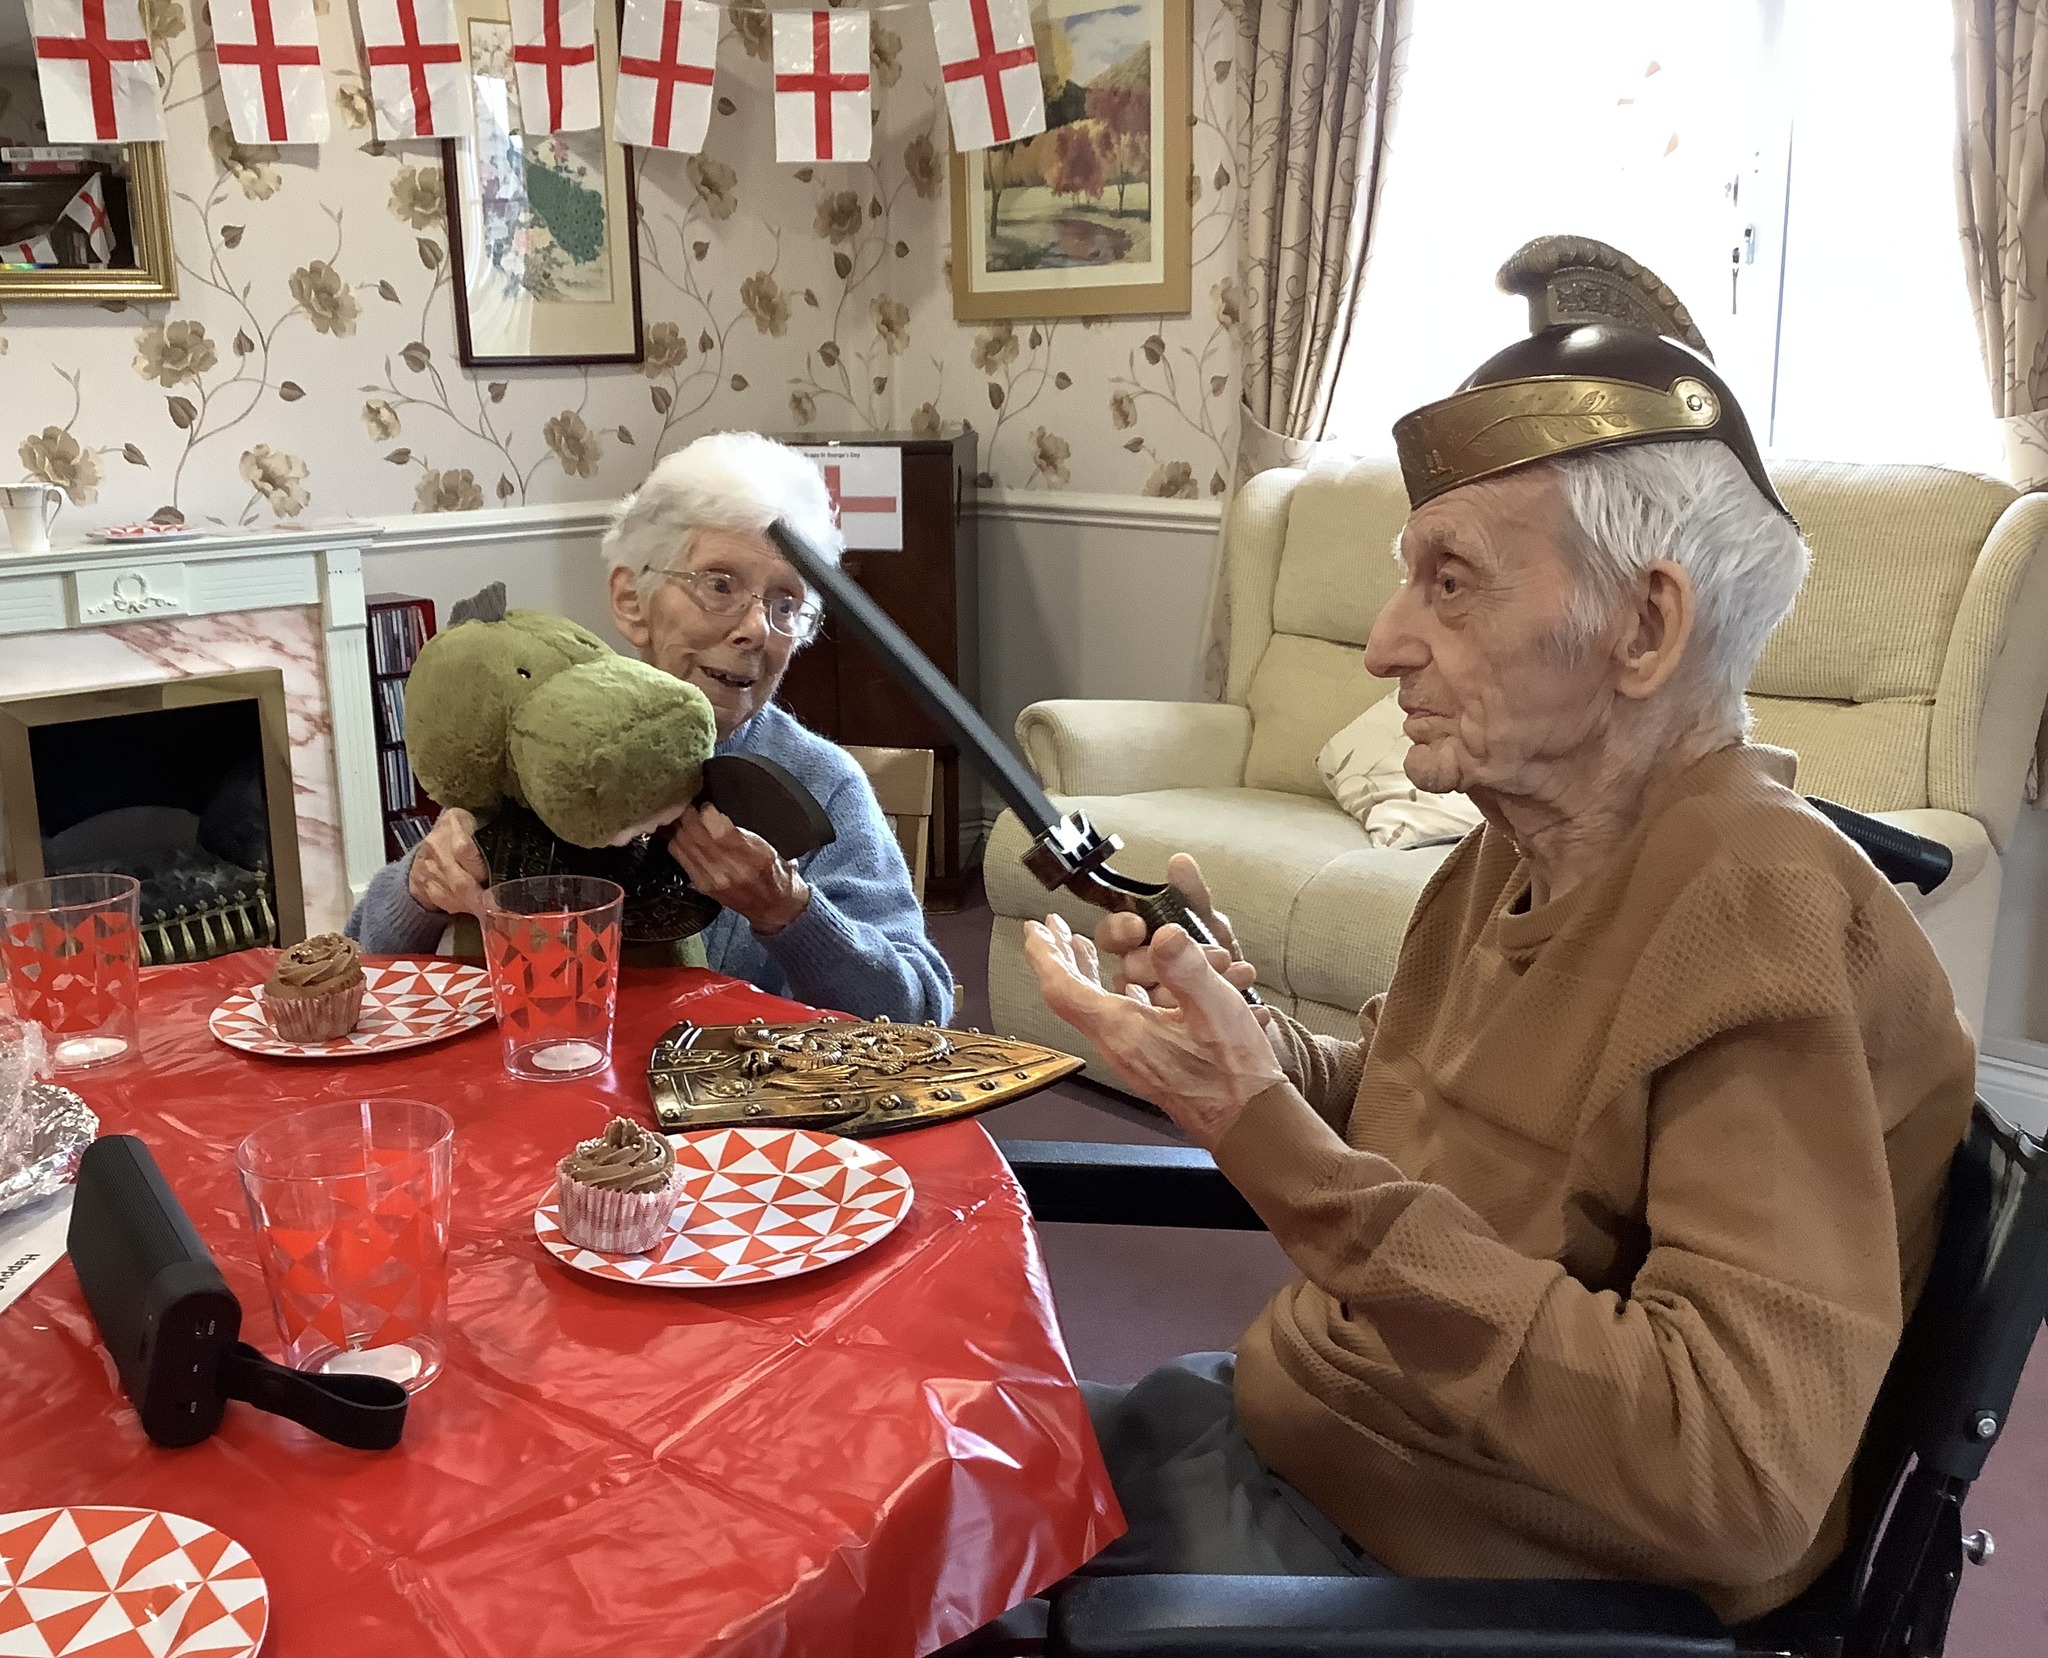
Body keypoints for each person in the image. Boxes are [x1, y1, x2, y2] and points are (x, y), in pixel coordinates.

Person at [1022, 238, 1976, 1622]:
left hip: (1441, 1570)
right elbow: (1432, 1127)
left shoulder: (1763, 920)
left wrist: (1268, 1136)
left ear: (1644, 624)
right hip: (1299, 1433)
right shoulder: (1513, 849)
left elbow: (1736, 1466)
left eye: (1451, 581)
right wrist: (1258, 1053)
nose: (1386, 642)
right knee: (897, 1462)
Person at [347, 431, 953, 1026]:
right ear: (632, 601)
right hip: (552, 1092)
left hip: (750, 1117)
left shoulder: (822, 782)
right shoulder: (542, 750)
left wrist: (792, 914)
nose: (756, 629)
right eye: (720, 585)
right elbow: (355, 967)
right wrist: (420, 888)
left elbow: (921, 1011)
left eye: (785, 604)